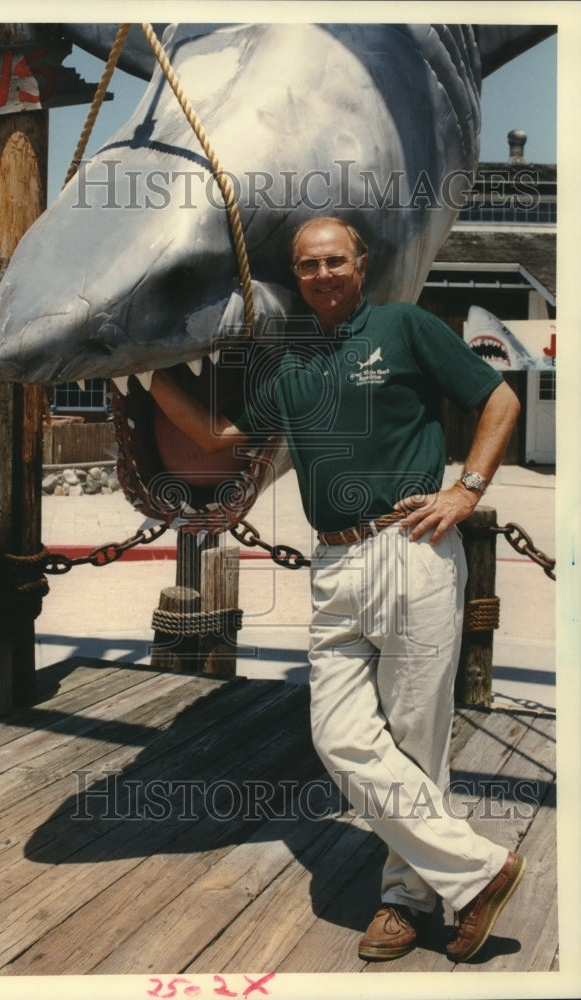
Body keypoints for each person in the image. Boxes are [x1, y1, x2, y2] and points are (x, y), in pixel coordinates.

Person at [149, 215, 524, 963]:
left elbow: (500, 400)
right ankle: (479, 871)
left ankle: (405, 901)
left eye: (335, 261)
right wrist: (144, 371)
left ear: (360, 264)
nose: (322, 274)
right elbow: (223, 439)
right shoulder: (293, 363)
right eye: (308, 266)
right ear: (298, 276)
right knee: (339, 737)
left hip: (409, 547)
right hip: (334, 565)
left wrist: (468, 489)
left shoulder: (406, 326)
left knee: (418, 738)